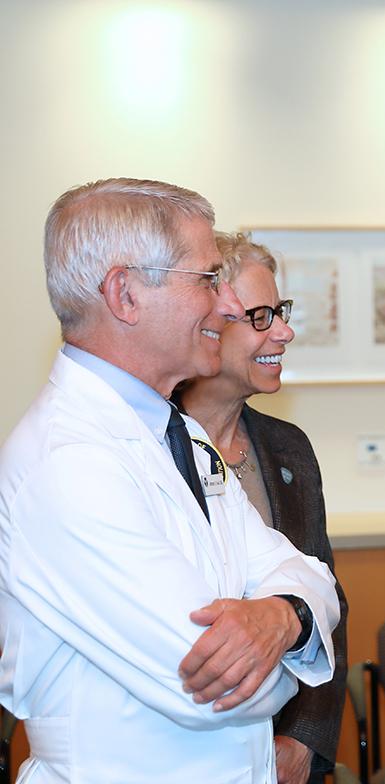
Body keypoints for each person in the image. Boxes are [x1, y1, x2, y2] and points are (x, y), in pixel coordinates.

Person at [0, 178, 341, 783]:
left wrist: (282, 615)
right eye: (207, 280)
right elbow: (219, 686)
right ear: (125, 295)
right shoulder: (68, 463)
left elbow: (311, 576)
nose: (229, 307)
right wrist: (292, 631)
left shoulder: (177, 437)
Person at [178, 232, 347, 784]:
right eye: (260, 317)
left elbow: (326, 600)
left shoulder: (288, 447)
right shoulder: (148, 445)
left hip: (282, 756)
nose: (284, 332)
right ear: (208, 319)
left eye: (282, 312)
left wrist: (304, 743)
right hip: (186, 747)